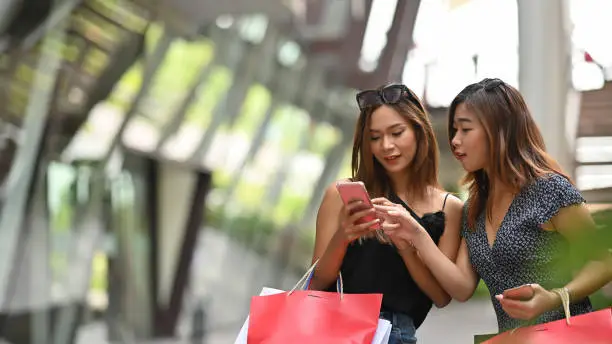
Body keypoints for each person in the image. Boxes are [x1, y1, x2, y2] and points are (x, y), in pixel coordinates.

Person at [375, 78, 612, 333]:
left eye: (465, 130)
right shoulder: (475, 206)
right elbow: (462, 287)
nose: (455, 140)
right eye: (454, 131)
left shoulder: (549, 190)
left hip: (565, 337)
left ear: (500, 130)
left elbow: (604, 261)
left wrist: (555, 297)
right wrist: (415, 235)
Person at [308, 84, 463, 343]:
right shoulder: (340, 195)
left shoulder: (449, 207)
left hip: (395, 334)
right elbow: (316, 282)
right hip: (335, 328)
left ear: (418, 130)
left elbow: (441, 296)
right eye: (375, 137)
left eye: (396, 132)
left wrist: (407, 245)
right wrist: (343, 236)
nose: (386, 146)